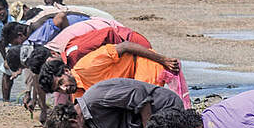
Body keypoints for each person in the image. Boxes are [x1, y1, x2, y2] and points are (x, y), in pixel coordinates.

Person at [42, 78, 185, 128]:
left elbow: (139, 94)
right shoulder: (89, 124)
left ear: (74, 122)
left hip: (164, 108)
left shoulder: (95, 98)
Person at [37, 42, 184, 102]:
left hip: (143, 64)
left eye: (61, 82)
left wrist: (163, 59)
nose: (65, 89)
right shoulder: (78, 95)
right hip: (131, 85)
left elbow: (126, 46)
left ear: (67, 70)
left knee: (144, 103)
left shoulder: (88, 65)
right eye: (59, 89)